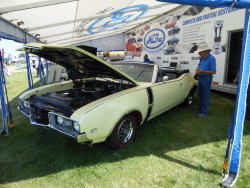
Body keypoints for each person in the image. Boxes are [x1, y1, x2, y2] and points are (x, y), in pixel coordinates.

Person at [195, 41, 216, 117]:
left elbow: (214, 71)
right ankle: (200, 110)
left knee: (205, 96)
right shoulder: (202, 58)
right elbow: (200, 66)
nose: (199, 53)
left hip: (206, 78)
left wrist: (202, 71)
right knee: (200, 95)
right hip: (201, 78)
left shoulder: (211, 58)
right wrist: (197, 70)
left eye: (200, 52)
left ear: (205, 51)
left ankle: (204, 113)